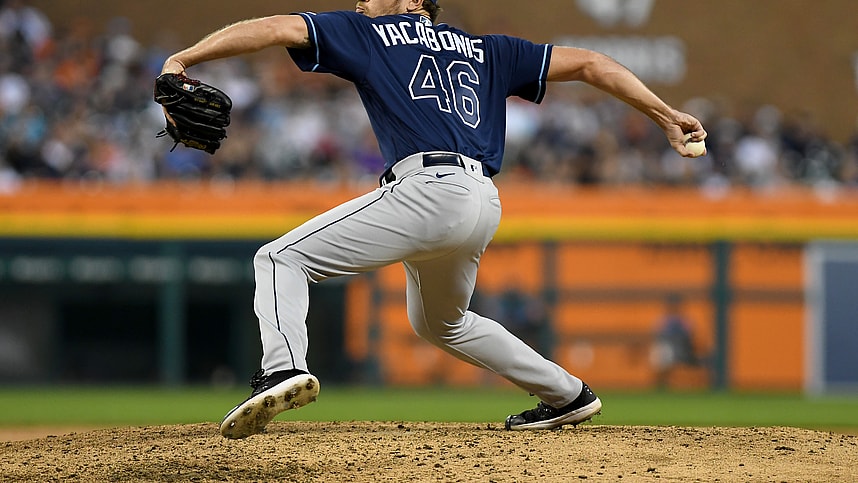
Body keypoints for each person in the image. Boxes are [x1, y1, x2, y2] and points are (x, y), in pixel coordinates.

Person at [160, 0, 707, 439]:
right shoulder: (490, 50)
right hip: (482, 199)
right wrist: (665, 115)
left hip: (428, 188)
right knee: (441, 322)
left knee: (279, 257)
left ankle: (283, 370)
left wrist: (183, 58)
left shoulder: (372, 32)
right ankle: (567, 395)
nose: (361, 2)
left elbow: (276, 27)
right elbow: (591, 63)